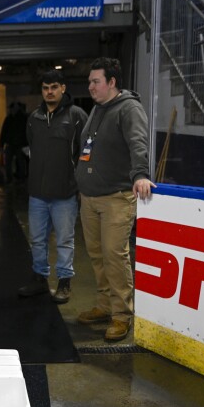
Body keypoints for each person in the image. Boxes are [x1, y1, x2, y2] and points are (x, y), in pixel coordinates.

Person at [75, 57, 156, 341]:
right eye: (89, 81)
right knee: (97, 255)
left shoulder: (129, 109)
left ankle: (122, 316)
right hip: (90, 197)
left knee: (114, 255)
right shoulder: (98, 109)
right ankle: (104, 304)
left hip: (116, 198)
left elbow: (138, 143)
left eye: (95, 81)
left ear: (112, 82)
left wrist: (140, 175)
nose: (90, 87)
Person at [17, 70, 87, 304]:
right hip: (37, 192)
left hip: (65, 193)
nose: (49, 91)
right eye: (46, 88)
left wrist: (79, 184)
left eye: (54, 87)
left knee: (65, 240)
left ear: (63, 88)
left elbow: (86, 151)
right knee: (37, 239)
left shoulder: (76, 115)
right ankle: (39, 279)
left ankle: (64, 283)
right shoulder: (34, 117)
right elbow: (32, 147)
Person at [0, 101, 28, 182]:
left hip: (18, 144)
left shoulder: (16, 118)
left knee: (16, 162)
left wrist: (1, 145)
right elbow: (4, 132)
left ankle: (15, 179)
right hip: (15, 144)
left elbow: (4, 132)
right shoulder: (12, 119)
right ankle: (15, 179)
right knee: (16, 162)